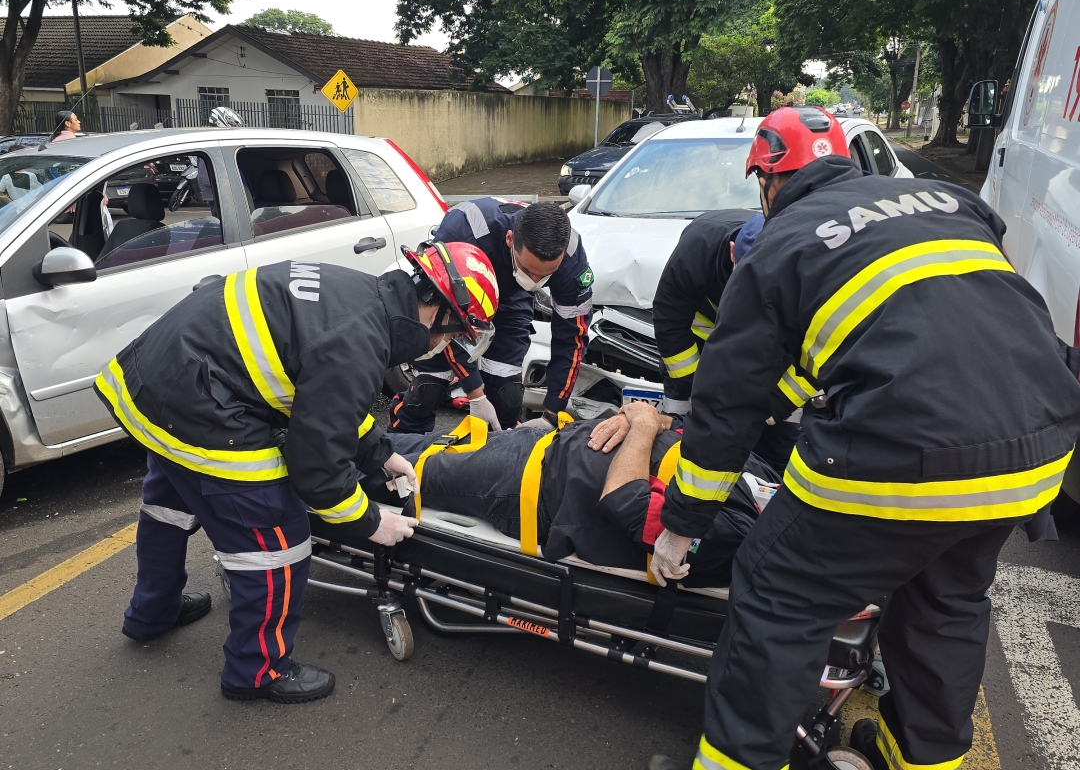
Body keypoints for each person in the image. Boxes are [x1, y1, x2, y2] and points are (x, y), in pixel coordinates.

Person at [644, 105, 1080, 770]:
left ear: (768, 180)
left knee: (779, 592)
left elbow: (728, 405)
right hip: (1037, 442)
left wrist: (682, 526)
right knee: (945, 601)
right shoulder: (952, 201)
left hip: (904, 448)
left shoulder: (777, 246)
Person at [94, 242, 499, 703]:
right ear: (436, 314)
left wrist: (380, 453)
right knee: (277, 538)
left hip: (153, 380)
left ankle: (152, 613)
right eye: (456, 334)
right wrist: (369, 522)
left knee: (170, 505)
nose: (449, 345)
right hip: (199, 403)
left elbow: (321, 398)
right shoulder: (361, 340)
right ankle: (256, 671)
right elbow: (317, 467)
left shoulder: (360, 294)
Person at [382, 401, 778, 586]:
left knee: (392, 465)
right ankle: (331, 437)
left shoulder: (734, 535)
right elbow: (681, 427)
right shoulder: (762, 479)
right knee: (404, 444)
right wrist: (647, 419)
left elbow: (623, 500)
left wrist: (642, 425)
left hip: (530, 486)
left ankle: (325, 471)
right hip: (547, 446)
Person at [389, 199, 593, 434]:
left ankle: (495, 461)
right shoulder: (464, 231)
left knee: (506, 395)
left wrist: (552, 413)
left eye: (545, 275)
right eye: (528, 271)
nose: (536, 282)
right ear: (510, 240)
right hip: (454, 299)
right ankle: (401, 447)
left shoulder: (572, 259)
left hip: (511, 299)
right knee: (428, 389)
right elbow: (447, 317)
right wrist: (475, 393)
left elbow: (573, 337)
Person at [652, 208, 809, 470]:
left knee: (779, 445)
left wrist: (773, 408)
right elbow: (669, 320)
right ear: (733, 251)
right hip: (698, 344)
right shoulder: (697, 249)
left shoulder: (804, 266)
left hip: (769, 355)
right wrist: (696, 392)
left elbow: (812, 351)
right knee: (681, 434)